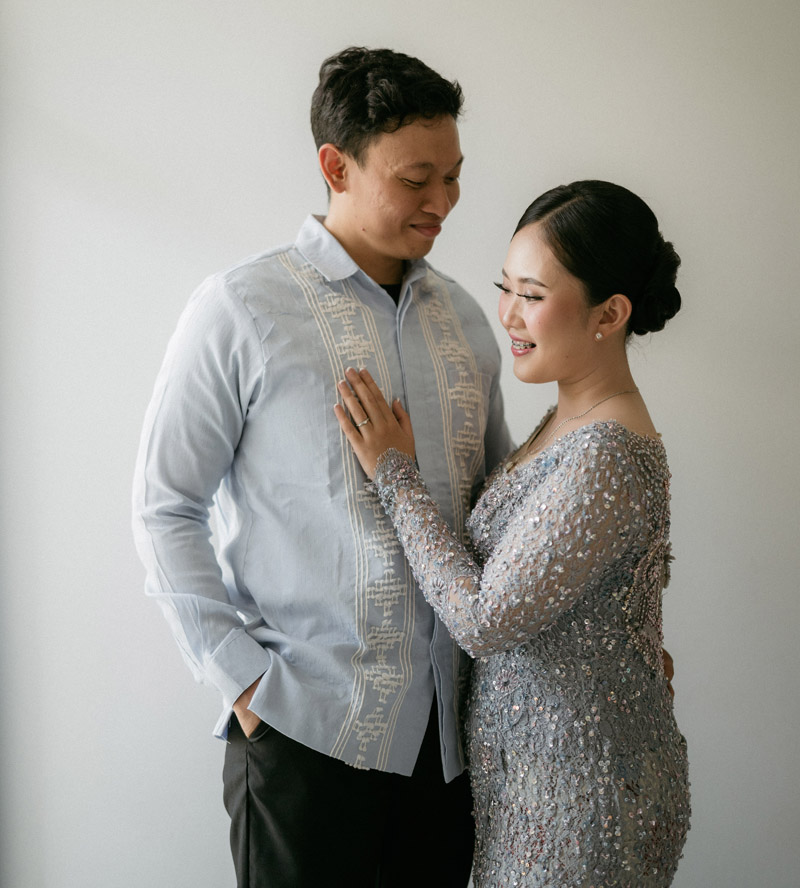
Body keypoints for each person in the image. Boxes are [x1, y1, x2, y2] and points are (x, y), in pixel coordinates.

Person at [132, 46, 510, 887]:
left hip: (452, 753)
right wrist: (246, 690)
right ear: (336, 167)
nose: (443, 202)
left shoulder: (467, 322)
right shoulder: (241, 308)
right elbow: (165, 505)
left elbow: (499, 515)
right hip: (302, 736)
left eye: (454, 177)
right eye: (416, 180)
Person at [336, 180, 691, 887]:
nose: (508, 313)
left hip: (581, 803)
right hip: (536, 786)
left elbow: (484, 618)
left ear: (610, 313)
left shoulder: (604, 452)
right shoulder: (569, 418)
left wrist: (395, 476)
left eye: (532, 294)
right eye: (506, 287)